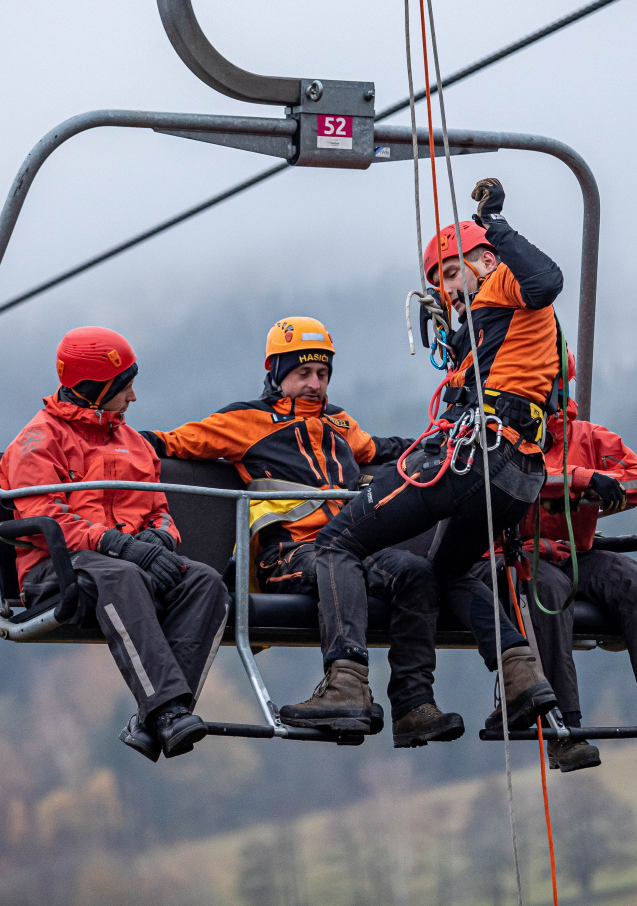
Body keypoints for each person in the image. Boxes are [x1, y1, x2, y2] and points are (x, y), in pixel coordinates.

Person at [145, 318, 534, 746]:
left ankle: (414, 703)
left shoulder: (341, 424)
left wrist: (450, 444)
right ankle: (345, 684)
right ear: (276, 372)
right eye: (303, 373)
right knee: (340, 559)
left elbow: (381, 448)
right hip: (290, 555)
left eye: (322, 373)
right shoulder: (245, 421)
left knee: (416, 572)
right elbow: (168, 443)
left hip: (352, 549)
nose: (315, 384)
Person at [312, 178, 561, 736]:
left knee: (337, 542)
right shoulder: (496, 328)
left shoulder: (503, 284)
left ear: (485, 260)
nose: (446, 289)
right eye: (438, 280)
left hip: (476, 457)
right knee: (448, 571)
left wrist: (495, 224)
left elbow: (545, 280)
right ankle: (518, 675)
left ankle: (346, 680)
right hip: (515, 472)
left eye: (451, 273)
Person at [0, 326, 232, 762]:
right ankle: (166, 711)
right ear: (94, 388)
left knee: (206, 582)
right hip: (60, 569)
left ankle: (154, 719)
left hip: (126, 566)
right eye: (124, 387)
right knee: (122, 577)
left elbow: (159, 508)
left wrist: (159, 537)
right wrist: (120, 546)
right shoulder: (38, 442)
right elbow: (44, 519)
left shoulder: (134, 443)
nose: (133, 397)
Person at [505, 365, 637, 771]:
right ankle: (564, 731)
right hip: (521, 556)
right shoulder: (501, 438)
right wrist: (581, 480)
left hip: (577, 554)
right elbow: (517, 478)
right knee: (548, 592)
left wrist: (609, 485)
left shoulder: (586, 438)